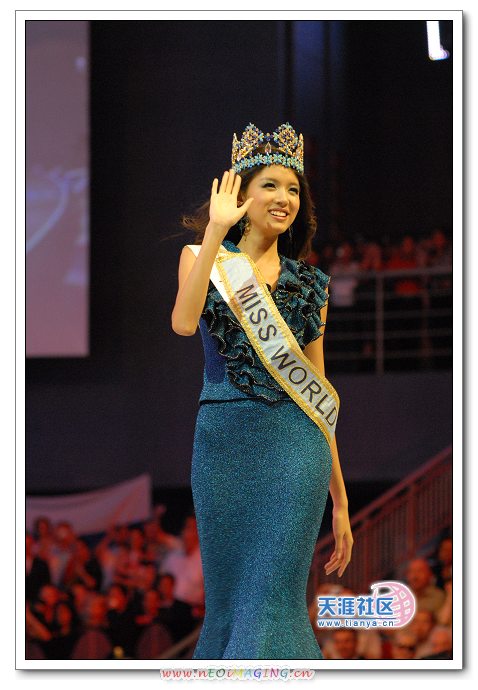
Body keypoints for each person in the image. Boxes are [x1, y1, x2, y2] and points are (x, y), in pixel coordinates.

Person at [171, 122, 353, 660]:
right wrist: (215, 231)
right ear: (241, 196)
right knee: (229, 604)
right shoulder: (201, 257)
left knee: (272, 600)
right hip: (223, 443)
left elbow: (318, 396)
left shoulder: (311, 284)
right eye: (270, 185)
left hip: (296, 447)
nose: (284, 198)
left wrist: (341, 500)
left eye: (293, 189)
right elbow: (183, 322)